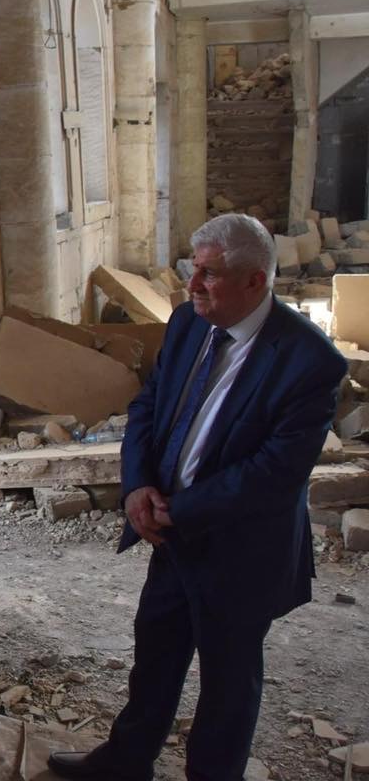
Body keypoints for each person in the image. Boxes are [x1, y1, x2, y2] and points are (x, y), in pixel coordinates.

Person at [48, 213, 346, 781]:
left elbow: (273, 474)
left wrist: (175, 511)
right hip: (171, 534)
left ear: (254, 281)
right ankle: (126, 762)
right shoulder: (188, 322)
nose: (192, 285)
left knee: (228, 684)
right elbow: (148, 407)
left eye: (208, 273)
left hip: (242, 550)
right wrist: (138, 486)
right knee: (155, 655)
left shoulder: (310, 361)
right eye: (193, 269)